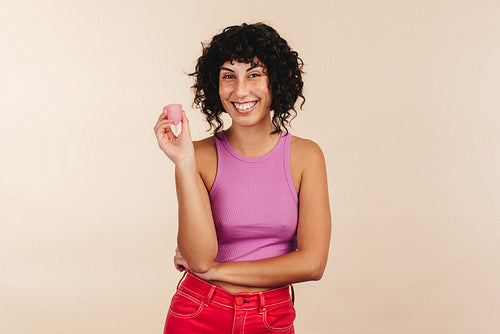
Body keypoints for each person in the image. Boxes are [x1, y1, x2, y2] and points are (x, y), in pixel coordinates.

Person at [154, 22, 331, 334]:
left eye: (254, 74)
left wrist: (217, 271)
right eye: (228, 76)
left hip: (271, 315)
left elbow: (312, 264)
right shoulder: (198, 156)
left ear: (275, 80)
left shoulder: (306, 157)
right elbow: (198, 258)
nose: (240, 90)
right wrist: (183, 161)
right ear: (215, 84)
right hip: (198, 310)